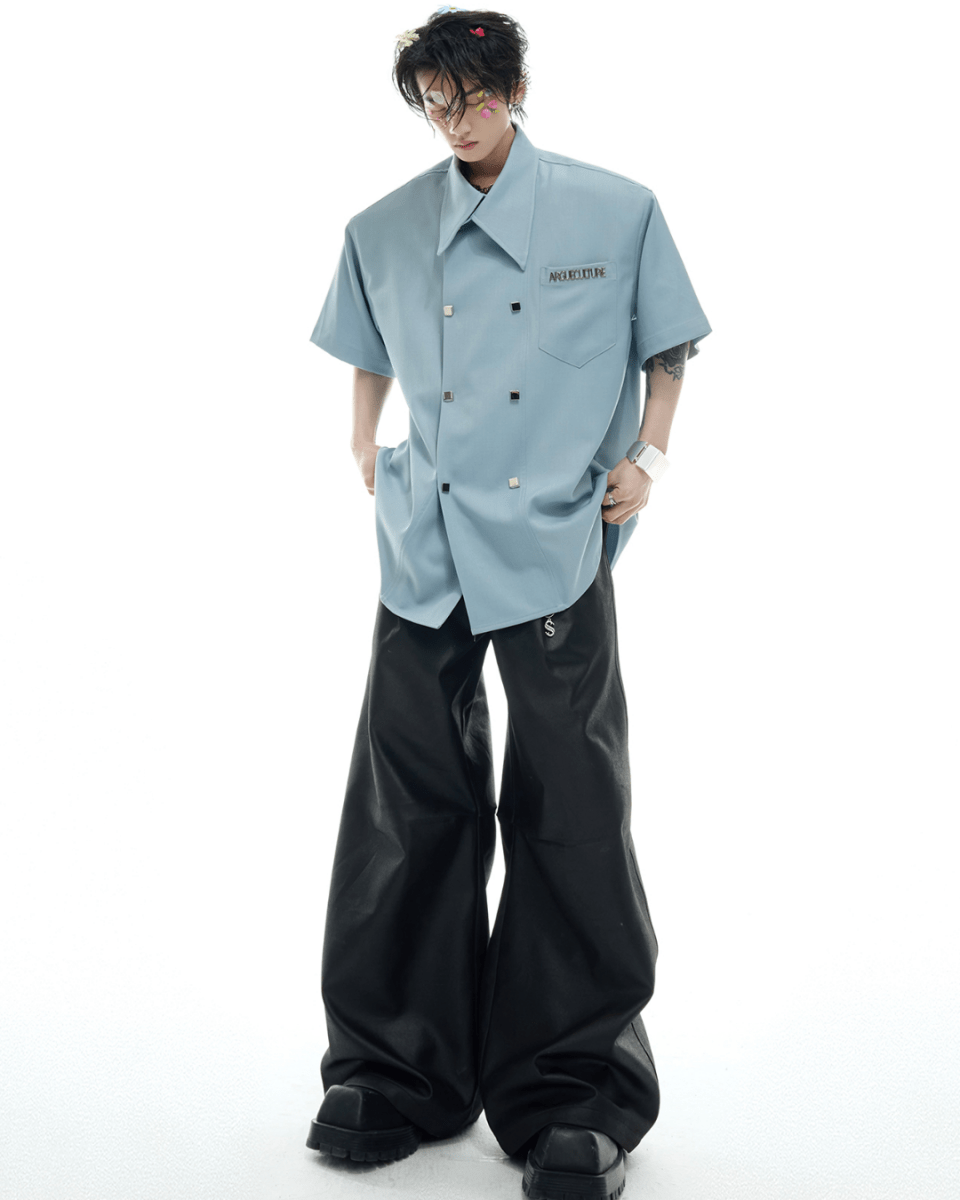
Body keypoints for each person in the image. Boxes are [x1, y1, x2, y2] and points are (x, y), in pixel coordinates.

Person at [304, 8, 712, 1198]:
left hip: (554, 542)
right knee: (405, 804)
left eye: (470, 97)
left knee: (571, 804)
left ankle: (575, 1089)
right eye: (433, 102)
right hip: (425, 545)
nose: (453, 120)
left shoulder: (616, 209)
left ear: (516, 87)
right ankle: (391, 1069)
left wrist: (651, 455)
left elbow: (669, 347)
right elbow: (368, 345)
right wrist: (364, 442)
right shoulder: (382, 225)